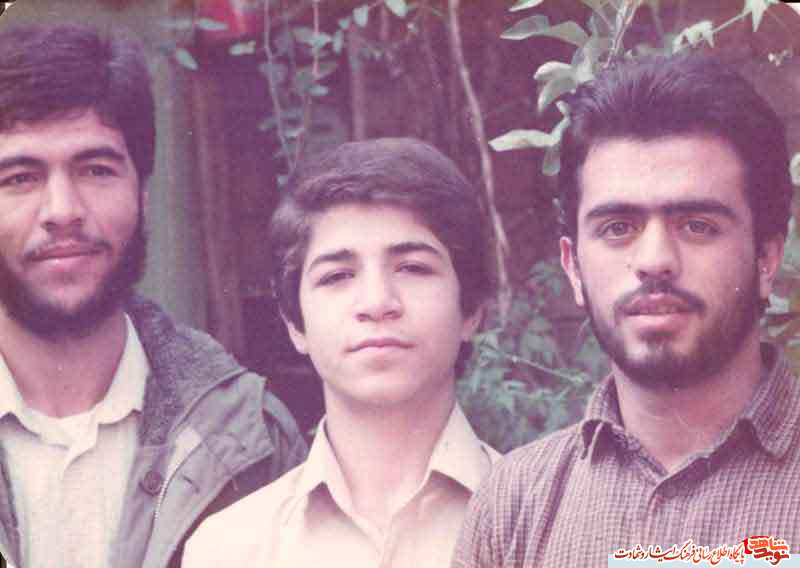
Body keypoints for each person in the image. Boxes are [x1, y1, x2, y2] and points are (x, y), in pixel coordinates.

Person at [453, 55, 799, 567]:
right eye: (618, 228)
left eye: (697, 225)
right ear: (573, 267)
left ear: (766, 258)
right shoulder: (514, 507)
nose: (654, 260)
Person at [0, 23, 306, 568]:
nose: (62, 210)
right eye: (20, 178)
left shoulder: (250, 437)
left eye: (96, 170)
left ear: (142, 193)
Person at [183, 137, 500, 567]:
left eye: (412, 268)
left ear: (471, 309)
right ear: (295, 323)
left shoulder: (557, 524)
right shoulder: (226, 550)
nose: (377, 302)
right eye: (336, 276)